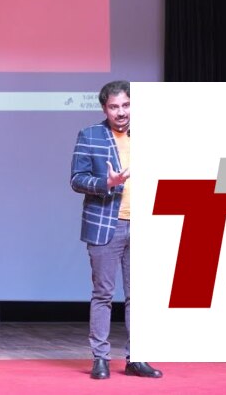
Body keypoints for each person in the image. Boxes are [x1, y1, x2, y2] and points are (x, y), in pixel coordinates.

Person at [70, 80, 162, 380]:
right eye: (114, 107)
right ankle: (101, 358)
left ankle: (137, 358)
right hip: (106, 225)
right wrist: (105, 183)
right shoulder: (90, 135)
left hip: (144, 224)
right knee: (103, 294)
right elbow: (76, 179)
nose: (121, 112)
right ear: (104, 109)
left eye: (126, 105)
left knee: (139, 296)